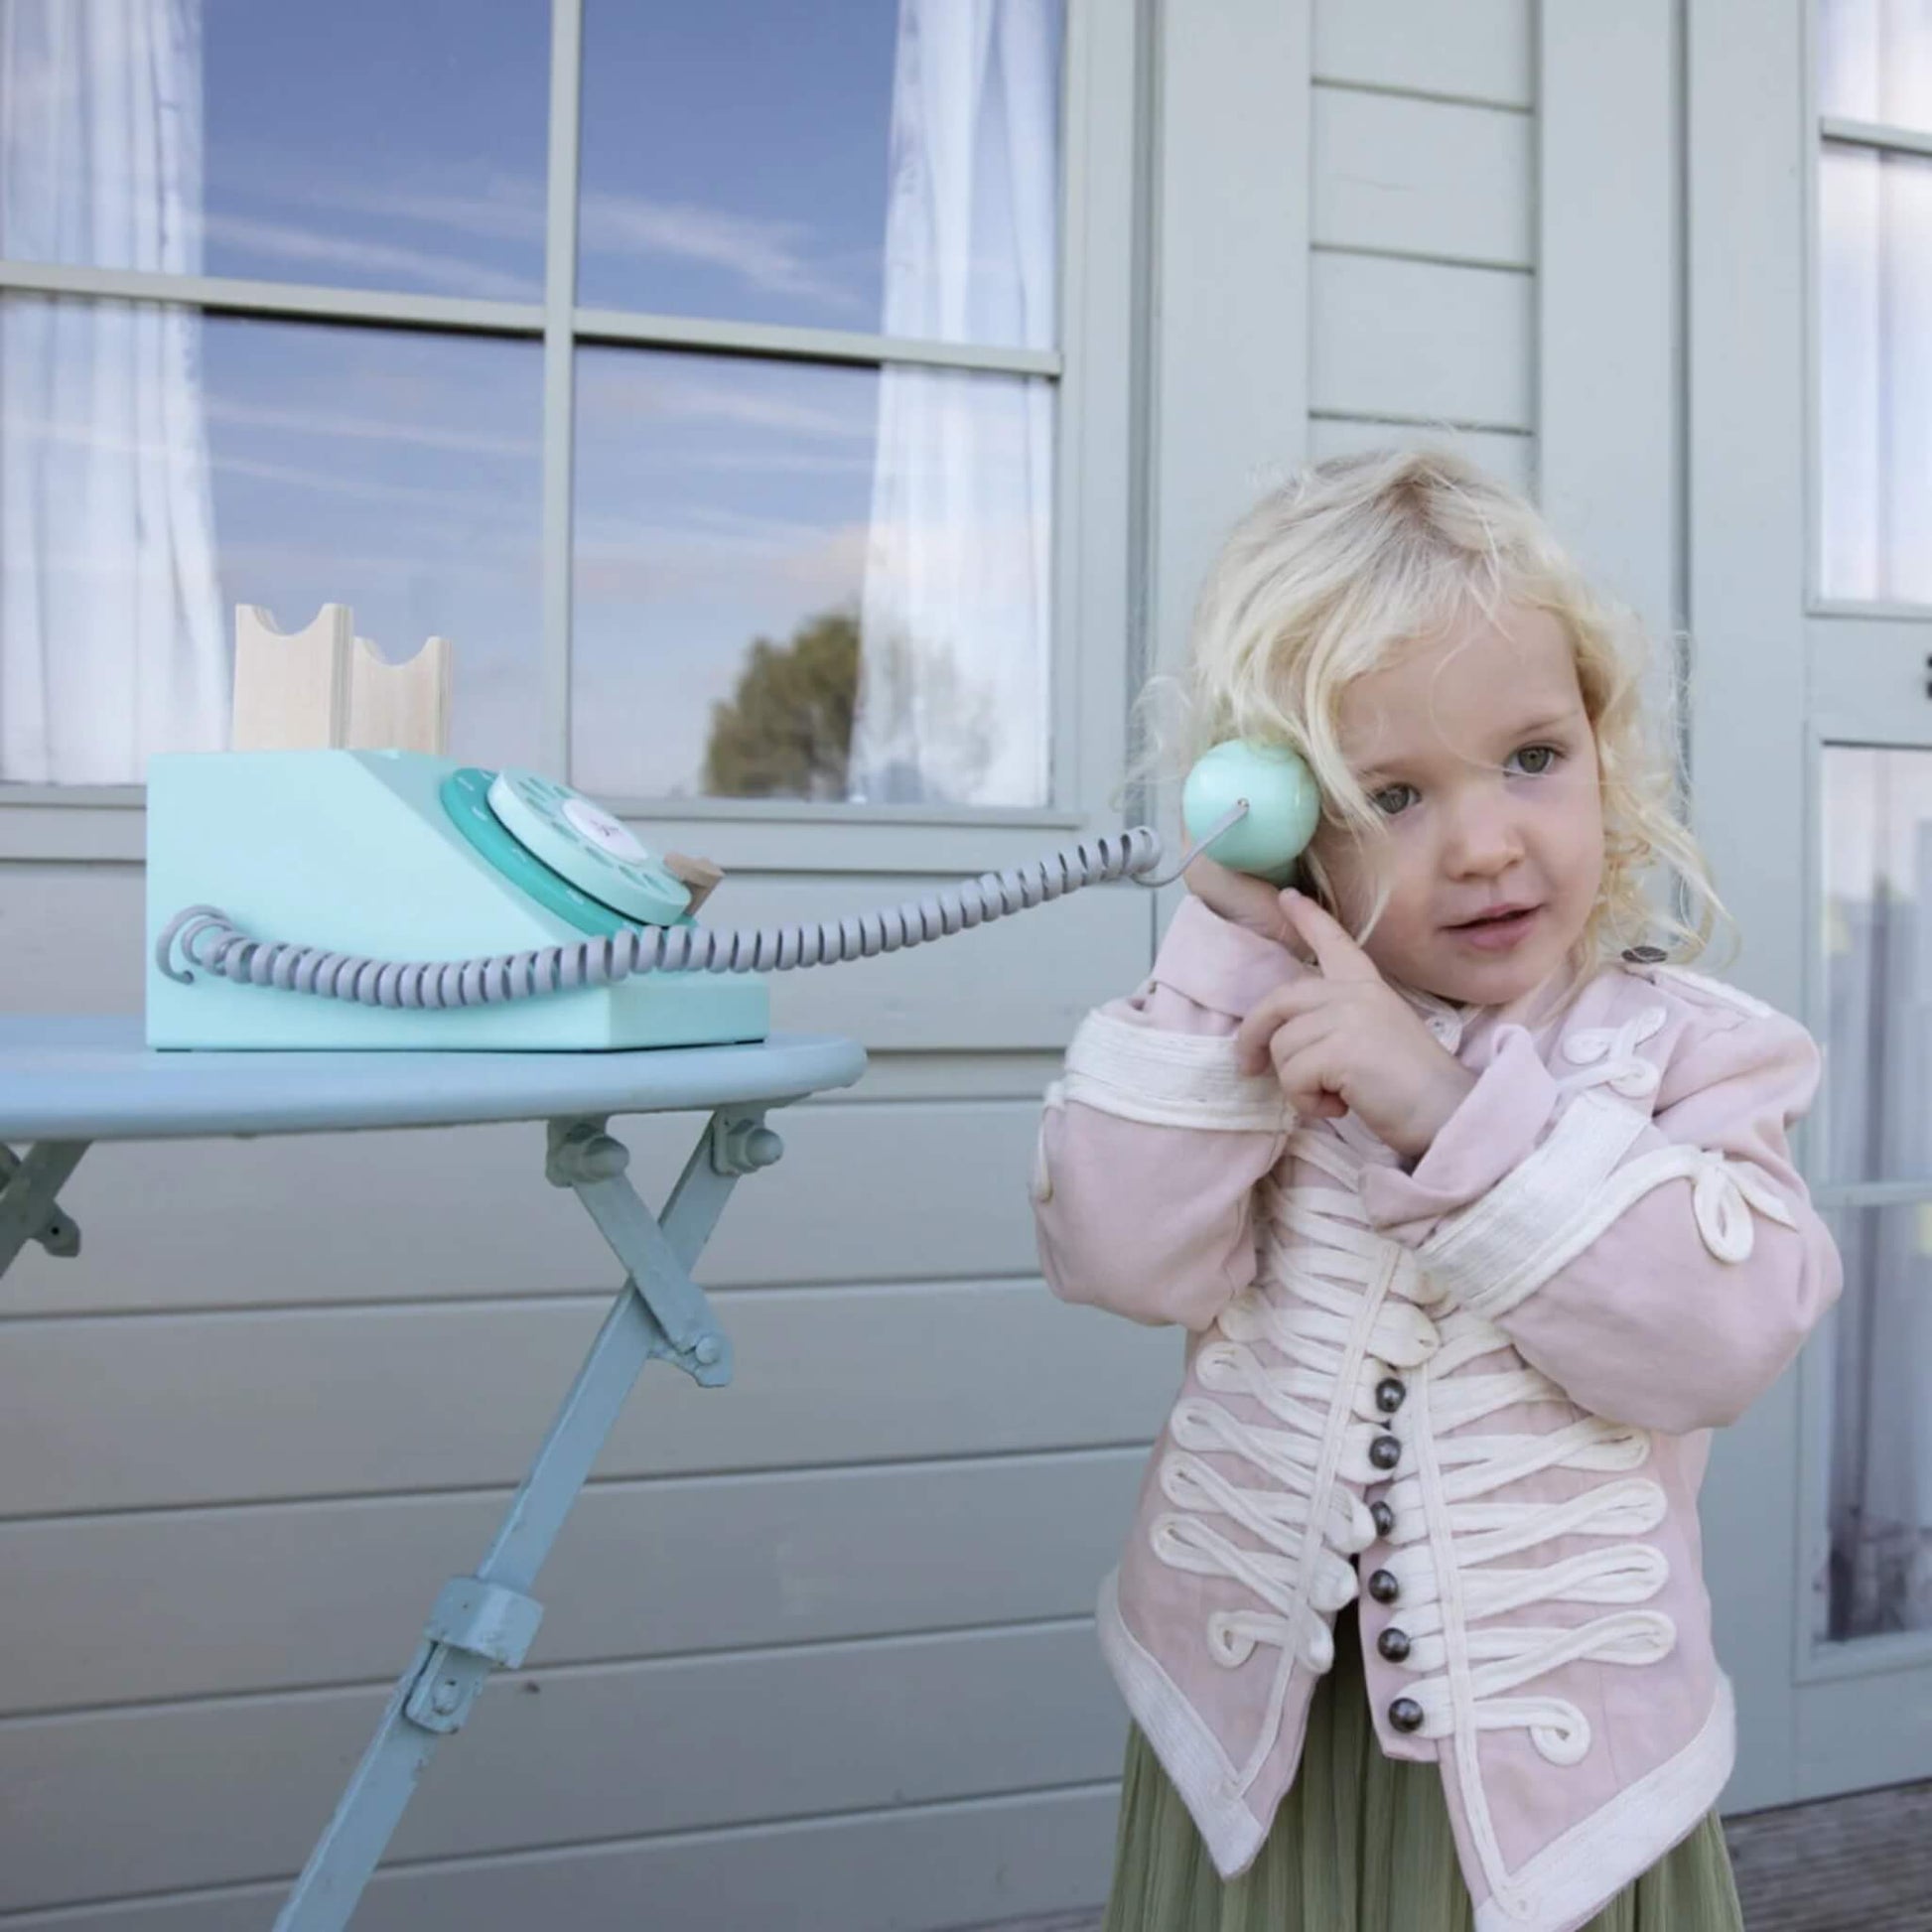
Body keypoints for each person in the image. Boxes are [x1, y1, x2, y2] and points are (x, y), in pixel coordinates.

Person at [1032, 450, 1845, 1932]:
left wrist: (1442, 1109)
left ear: (1602, 746)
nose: (1482, 844)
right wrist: (1225, 946)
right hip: (1257, 1745)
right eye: (1388, 791)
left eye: (1531, 756)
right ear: (1282, 816)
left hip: (1572, 1783)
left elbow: (1715, 1340)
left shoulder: (1688, 1052)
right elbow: (1118, 1254)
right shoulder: (1248, 1035)